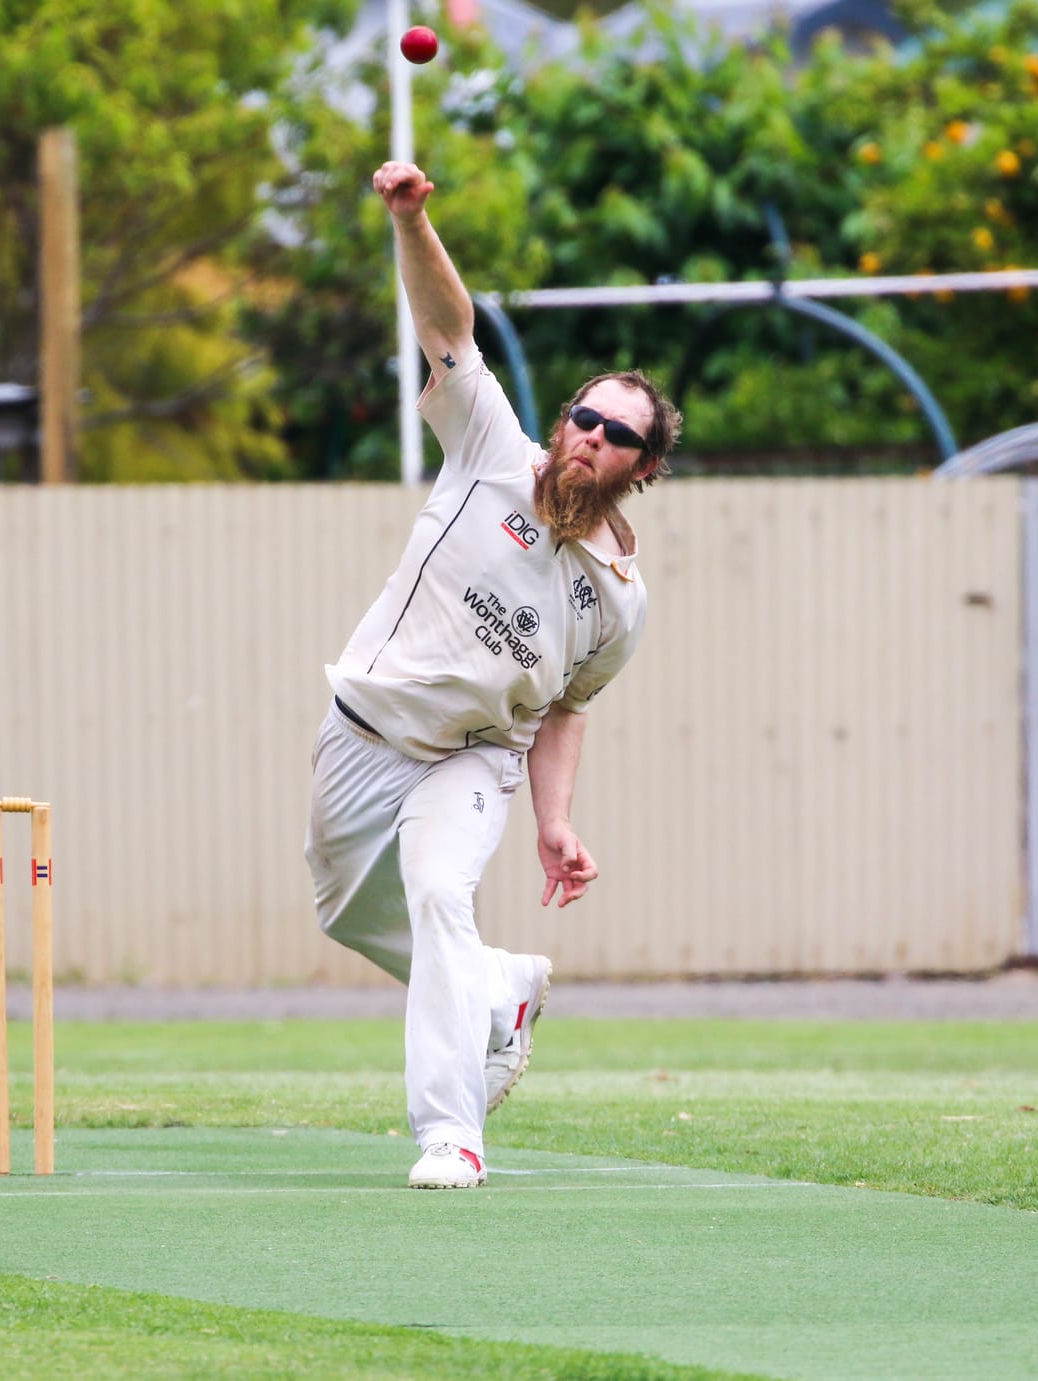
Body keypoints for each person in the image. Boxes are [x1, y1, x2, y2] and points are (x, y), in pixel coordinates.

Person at [306, 162, 681, 1189]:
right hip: (362, 727)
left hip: (469, 761)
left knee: (435, 895)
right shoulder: (486, 447)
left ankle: (450, 1133)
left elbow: (565, 708)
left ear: (641, 470)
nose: (590, 438)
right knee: (345, 910)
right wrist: (411, 218)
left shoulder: (617, 597)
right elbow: (447, 327)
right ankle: (498, 993)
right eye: (583, 418)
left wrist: (554, 823)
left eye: (618, 437)